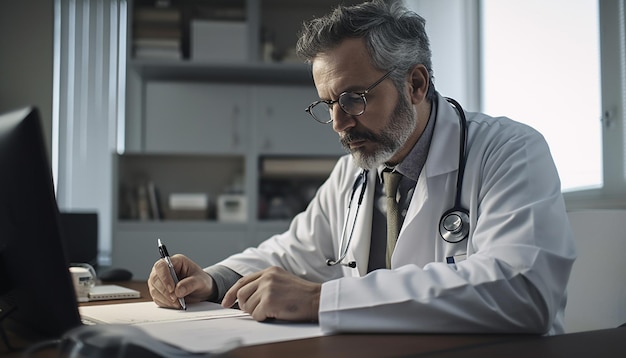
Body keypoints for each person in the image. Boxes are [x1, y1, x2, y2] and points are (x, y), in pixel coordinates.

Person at [149, 0, 576, 335]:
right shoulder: (353, 173)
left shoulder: (509, 151)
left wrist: (323, 301)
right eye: (329, 104)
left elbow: (524, 291)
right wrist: (211, 280)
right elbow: (291, 252)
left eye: (354, 98)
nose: (338, 123)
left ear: (415, 84)